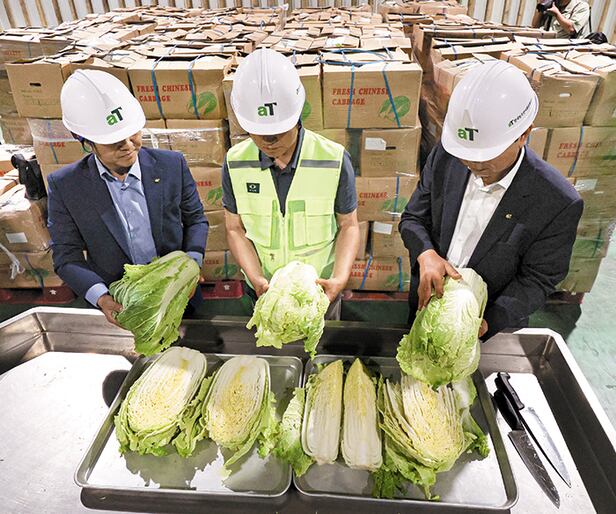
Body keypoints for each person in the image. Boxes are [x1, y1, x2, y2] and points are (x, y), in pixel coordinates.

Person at [399, 60, 583, 340]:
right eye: (466, 153)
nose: (472, 163)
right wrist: (426, 253)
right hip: (426, 307)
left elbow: (538, 279)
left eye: (486, 155)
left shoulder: (556, 202)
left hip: (487, 326)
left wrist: (488, 322)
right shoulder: (447, 157)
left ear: (523, 134)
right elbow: (413, 218)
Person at [47, 70, 208, 326]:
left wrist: (192, 263)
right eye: (113, 141)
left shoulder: (171, 165)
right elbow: (66, 256)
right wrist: (101, 297)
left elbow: (195, 219)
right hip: (121, 305)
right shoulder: (66, 186)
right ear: (85, 141)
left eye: (133, 133)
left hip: (180, 295)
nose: (128, 145)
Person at [222, 48, 360, 319]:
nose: (269, 141)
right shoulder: (235, 162)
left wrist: (339, 278)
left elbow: (349, 225)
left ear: (297, 116)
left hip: (319, 291)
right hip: (264, 291)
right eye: (259, 132)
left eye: (278, 131)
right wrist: (256, 278)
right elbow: (234, 228)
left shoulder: (333, 159)